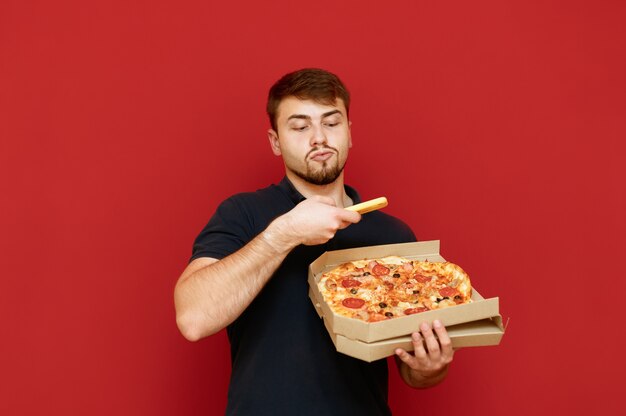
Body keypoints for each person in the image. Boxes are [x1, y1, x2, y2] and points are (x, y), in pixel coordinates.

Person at [174, 68, 454, 415]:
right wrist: (284, 234)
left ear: (350, 133)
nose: (319, 138)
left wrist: (430, 367)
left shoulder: (393, 235)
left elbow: (412, 372)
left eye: (331, 123)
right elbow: (193, 318)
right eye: (300, 126)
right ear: (276, 141)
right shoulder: (243, 214)